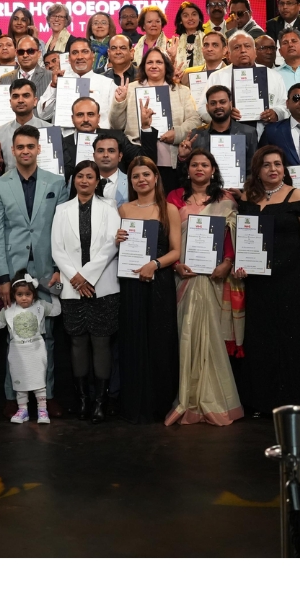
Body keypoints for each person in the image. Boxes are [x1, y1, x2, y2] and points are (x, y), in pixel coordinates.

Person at [0, 126, 67, 415]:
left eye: (30, 146)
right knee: (14, 334)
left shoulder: (57, 183)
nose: (25, 151)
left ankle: (49, 394)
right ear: (13, 150)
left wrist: (59, 268)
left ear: (38, 148)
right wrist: (2, 277)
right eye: (20, 147)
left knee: (47, 335)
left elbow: (62, 229)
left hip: (47, 269)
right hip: (13, 270)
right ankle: (12, 396)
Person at [232, 147, 300, 413]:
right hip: (259, 281)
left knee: (290, 339)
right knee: (261, 339)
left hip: (290, 279)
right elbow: (243, 239)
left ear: (284, 169)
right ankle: (261, 401)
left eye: (278, 164)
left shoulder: (296, 195)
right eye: (267, 165)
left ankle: (292, 400)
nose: (273, 169)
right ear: (257, 170)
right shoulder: (247, 197)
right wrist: (240, 265)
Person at [165, 149, 243, 425]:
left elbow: (231, 236)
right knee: (186, 335)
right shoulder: (175, 197)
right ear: (187, 170)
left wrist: (228, 262)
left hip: (214, 278)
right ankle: (186, 396)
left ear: (213, 170)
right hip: (184, 277)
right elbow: (169, 237)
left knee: (211, 336)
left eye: (205, 164)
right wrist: (176, 265)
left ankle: (214, 398)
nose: (199, 168)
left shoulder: (226, 200)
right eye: (194, 164)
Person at [52, 160, 121, 423]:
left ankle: (100, 402)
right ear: (74, 180)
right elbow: (56, 249)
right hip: (72, 288)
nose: (84, 181)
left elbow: (111, 245)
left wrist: (87, 276)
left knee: (101, 343)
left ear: (96, 181)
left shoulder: (110, 207)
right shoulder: (62, 209)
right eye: (80, 176)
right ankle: (82, 400)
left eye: (89, 176)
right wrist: (76, 278)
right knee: (77, 342)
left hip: (103, 286)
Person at [116, 157, 182, 424]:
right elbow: (118, 250)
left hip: (159, 283)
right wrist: (116, 240)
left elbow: (176, 251)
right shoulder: (123, 209)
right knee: (133, 342)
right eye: (135, 176)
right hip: (130, 283)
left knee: (159, 342)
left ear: (156, 178)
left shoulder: (169, 209)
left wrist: (154, 264)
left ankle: (159, 404)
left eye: (146, 174)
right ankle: (135, 404)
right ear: (130, 182)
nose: (141, 179)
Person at [109, 47, 199, 192]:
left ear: (166, 66)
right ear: (143, 66)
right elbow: (116, 125)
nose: (154, 66)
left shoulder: (181, 90)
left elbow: (194, 120)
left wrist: (176, 133)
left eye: (159, 62)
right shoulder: (130, 89)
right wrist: (120, 101)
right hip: (138, 156)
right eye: (149, 62)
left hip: (171, 158)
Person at [0, 271, 57, 424]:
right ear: (14, 295)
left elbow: (56, 311)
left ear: (33, 294)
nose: (24, 298)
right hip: (18, 352)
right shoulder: (9, 310)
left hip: (36, 351)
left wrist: (54, 295)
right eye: (20, 294)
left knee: (39, 379)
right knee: (19, 379)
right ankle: (23, 410)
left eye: (28, 294)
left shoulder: (40, 306)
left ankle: (42, 410)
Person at [201, 31, 289, 132]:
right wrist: (223, 115)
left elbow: (285, 106)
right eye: (237, 47)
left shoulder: (273, 76)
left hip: (266, 133)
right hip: (229, 134)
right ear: (229, 54)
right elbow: (202, 108)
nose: (243, 50)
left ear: (255, 51)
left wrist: (276, 113)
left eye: (247, 46)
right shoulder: (216, 77)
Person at [58, 96, 156, 183]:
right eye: (80, 115)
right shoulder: (62, 144)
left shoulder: (117, 137)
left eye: (90, 114)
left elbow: (145, 161)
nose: (86, 119)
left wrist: (146, 127)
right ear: (72, 118)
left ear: (98, 118)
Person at [177, 84, 260, 187]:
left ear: (230, 104)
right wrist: (182, 157)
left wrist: (244, 192)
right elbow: (184, 176)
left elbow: (254, 170)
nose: (218, 106)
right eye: (213, 103)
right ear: (207, 107)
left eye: (222, 102)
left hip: (239, 193)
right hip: (204, 192)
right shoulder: (195, 136)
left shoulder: (248, 133)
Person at [48, 37, 116, 134]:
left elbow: (114, 119)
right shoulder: (59, 80)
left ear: (93, 55)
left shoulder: (107, 84)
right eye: (75, 53)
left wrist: (97, 129)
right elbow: (43, 114)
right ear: (69, 58)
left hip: (98, 139)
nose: (80, 57)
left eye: (85, 52)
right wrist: (53, 86)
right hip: (64, 139)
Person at [0, 79, 50, 167]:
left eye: (26, 96)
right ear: (10, 102)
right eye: (15, 96)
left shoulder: (51, 131)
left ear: (35, 101)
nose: (20, 100)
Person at [92, 133, 130, 207]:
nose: (105, 155)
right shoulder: (80, 180)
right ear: (94, 156)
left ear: (120, 156)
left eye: (111, 151)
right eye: (100, 151)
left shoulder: (131, 182)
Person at [173, 1, 206, 72]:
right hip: (180, 78)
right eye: (186, 16)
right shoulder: (174, 43)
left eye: (194, 14)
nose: (190, 18)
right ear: (180, 21)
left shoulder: (207, 40)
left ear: (199, 18)